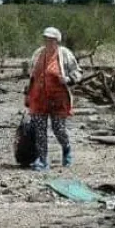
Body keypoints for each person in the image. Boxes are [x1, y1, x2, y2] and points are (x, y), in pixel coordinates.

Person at [24, 27, 82, 170]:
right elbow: (32, 76)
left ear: (57, 40)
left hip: (58, 98)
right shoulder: (38, 54)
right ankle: (42, 160)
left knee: (58, 128)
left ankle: (66, 149)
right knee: (40, 129)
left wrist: (68, 79)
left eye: (51, 39)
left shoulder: (65, 54)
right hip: (39, 97)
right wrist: (27, 95)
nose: (48, 42)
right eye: (46, 38)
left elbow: (78, 72)